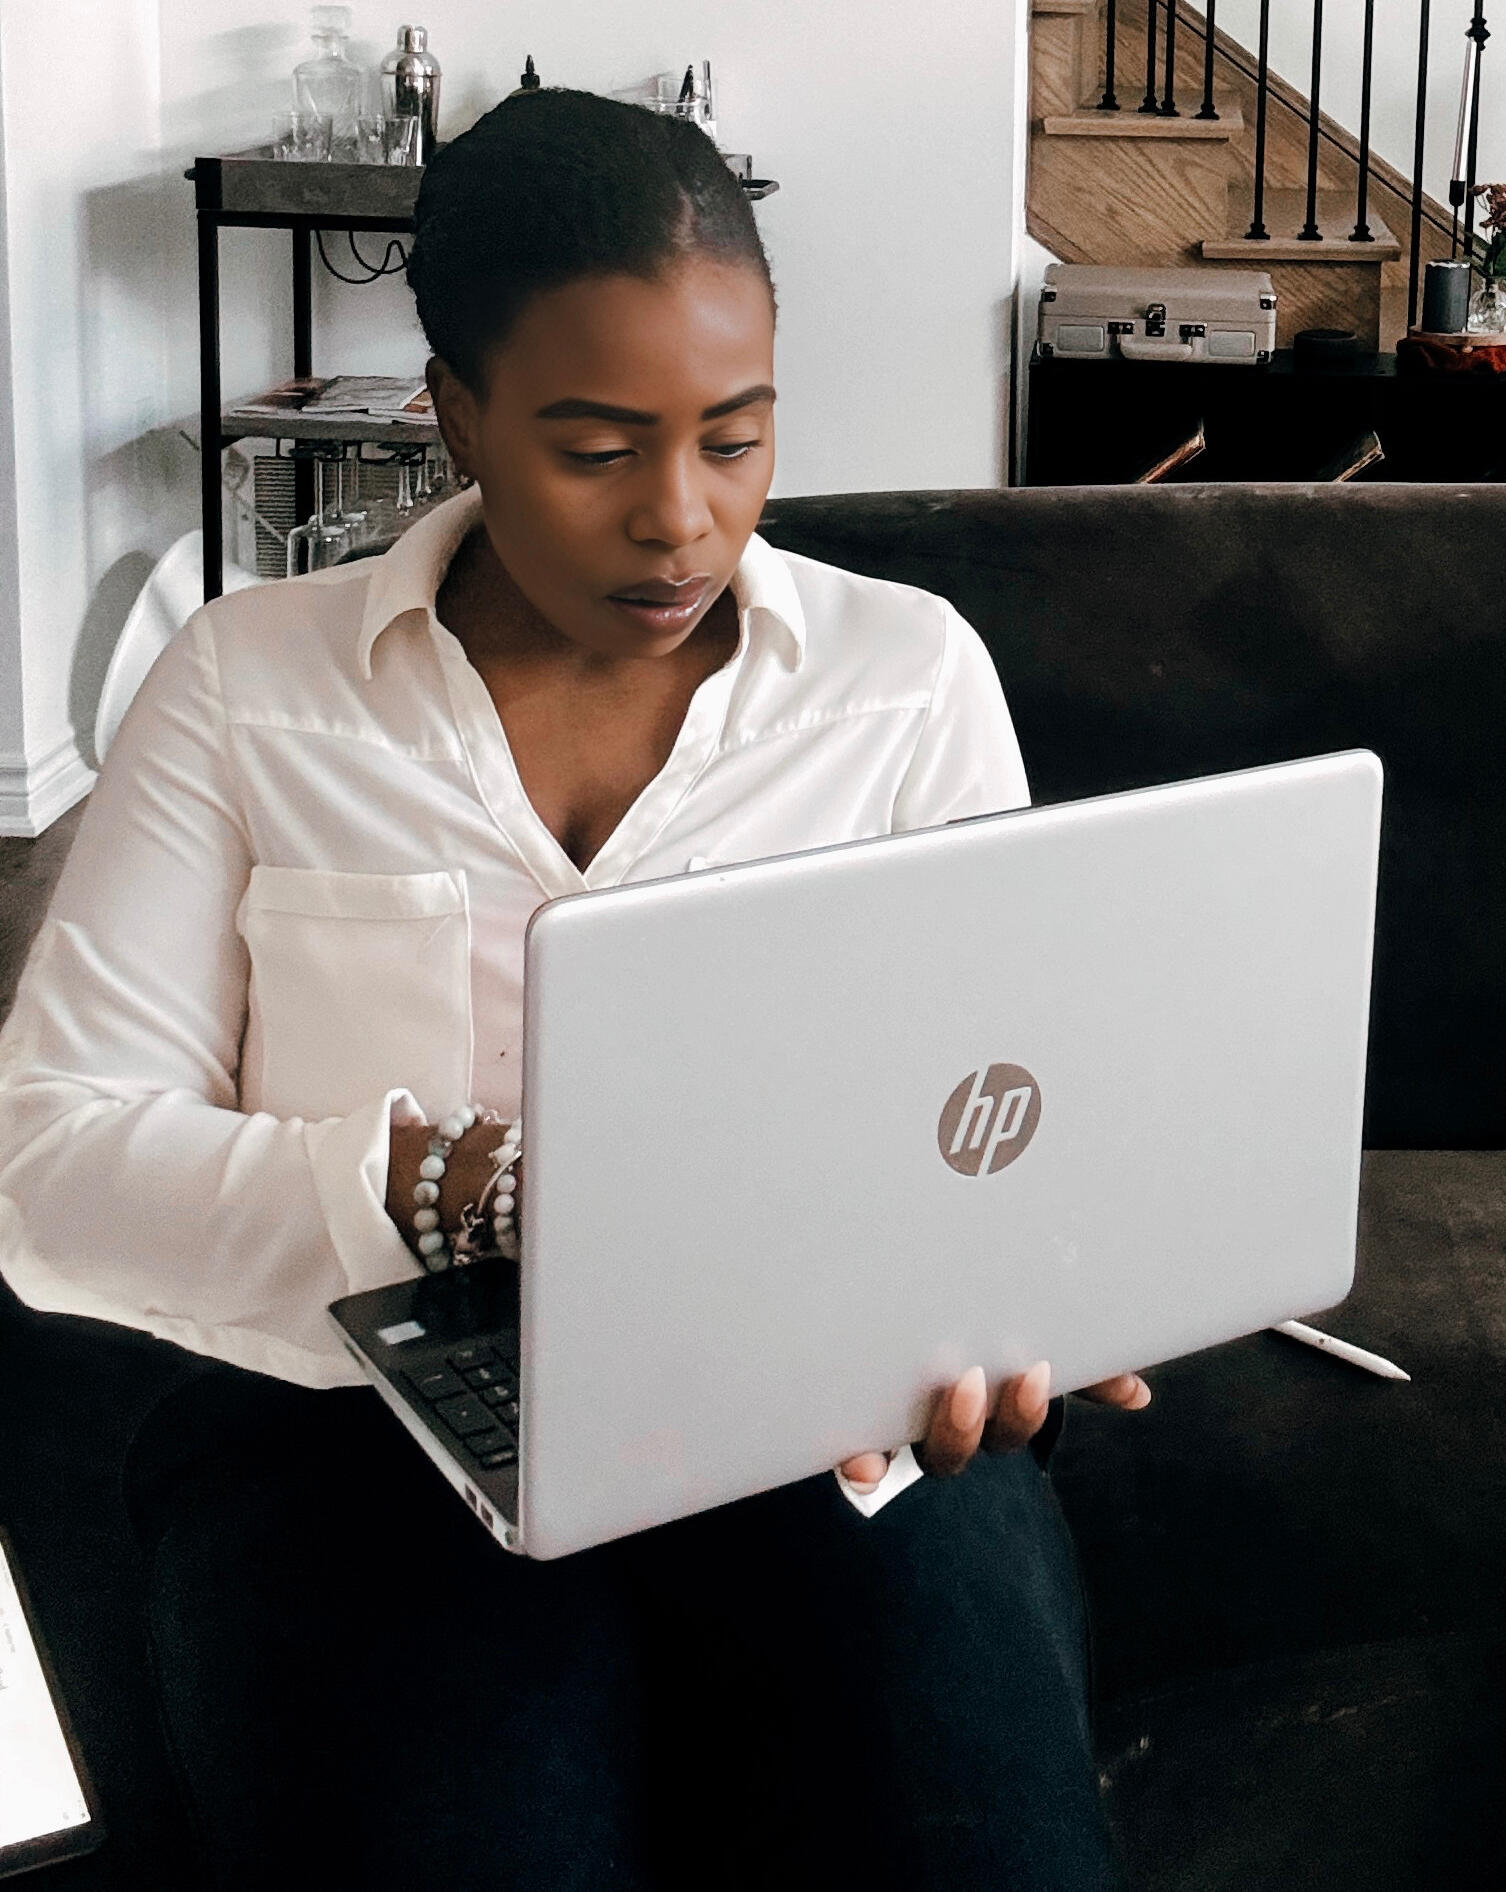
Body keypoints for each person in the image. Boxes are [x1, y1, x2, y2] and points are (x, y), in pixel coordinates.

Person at [0, 90, 1142, 1888]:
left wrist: (1022, 1294)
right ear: (454, 413)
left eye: (736, 439)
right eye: (597, 451)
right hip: (360, 1435)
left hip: (806, 1412)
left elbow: (1016, 1095)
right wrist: (420, 1190)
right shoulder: (249, 687)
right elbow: (53, 1173)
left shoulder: (904, 679)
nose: (679, 523)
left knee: (979, 1839)